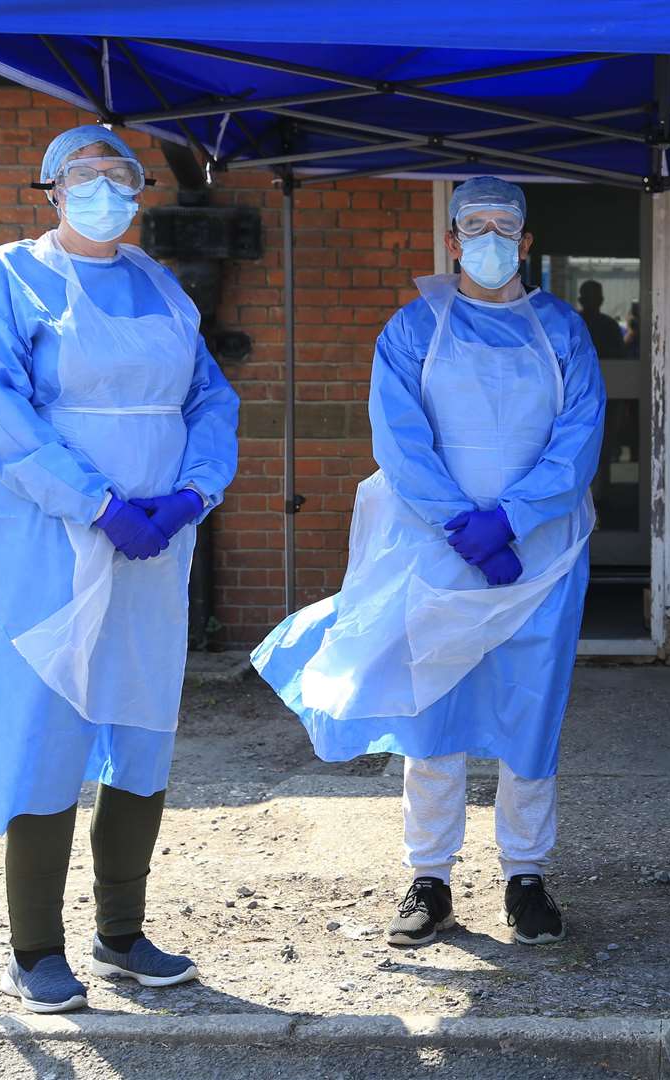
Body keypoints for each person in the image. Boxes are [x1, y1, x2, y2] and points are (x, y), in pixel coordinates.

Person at [253, 176, 604, 948]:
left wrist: (511, 521)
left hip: (539, 556)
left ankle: (527, 876)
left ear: (527, 242)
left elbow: (577, 438)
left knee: (530, 713)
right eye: (472, 225)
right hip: (438, 549)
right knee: (431, 708)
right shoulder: (413, 330)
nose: (488, 239)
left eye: (502, 226)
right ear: (450, 241)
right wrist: (464, 526)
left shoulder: (563, 332)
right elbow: (401, 441)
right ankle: (430, 878)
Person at [0, 124, 239, 1013]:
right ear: (50, 189)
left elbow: (208, 397)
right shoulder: (10, 276)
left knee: (143, 716)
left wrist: (192, 493)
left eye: (122, 176)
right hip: (53, 537)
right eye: (86, 176)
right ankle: (34, 948)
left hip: (157, 540)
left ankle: (122, 933)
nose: (106, 190)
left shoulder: (160, 286)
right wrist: (97, 503)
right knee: (48, 718)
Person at [577, 279, 626, 358]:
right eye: (589, 298)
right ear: (601, 300)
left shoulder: (572, 325)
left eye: (593, 298)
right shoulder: (610, 326)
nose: (591, 303)